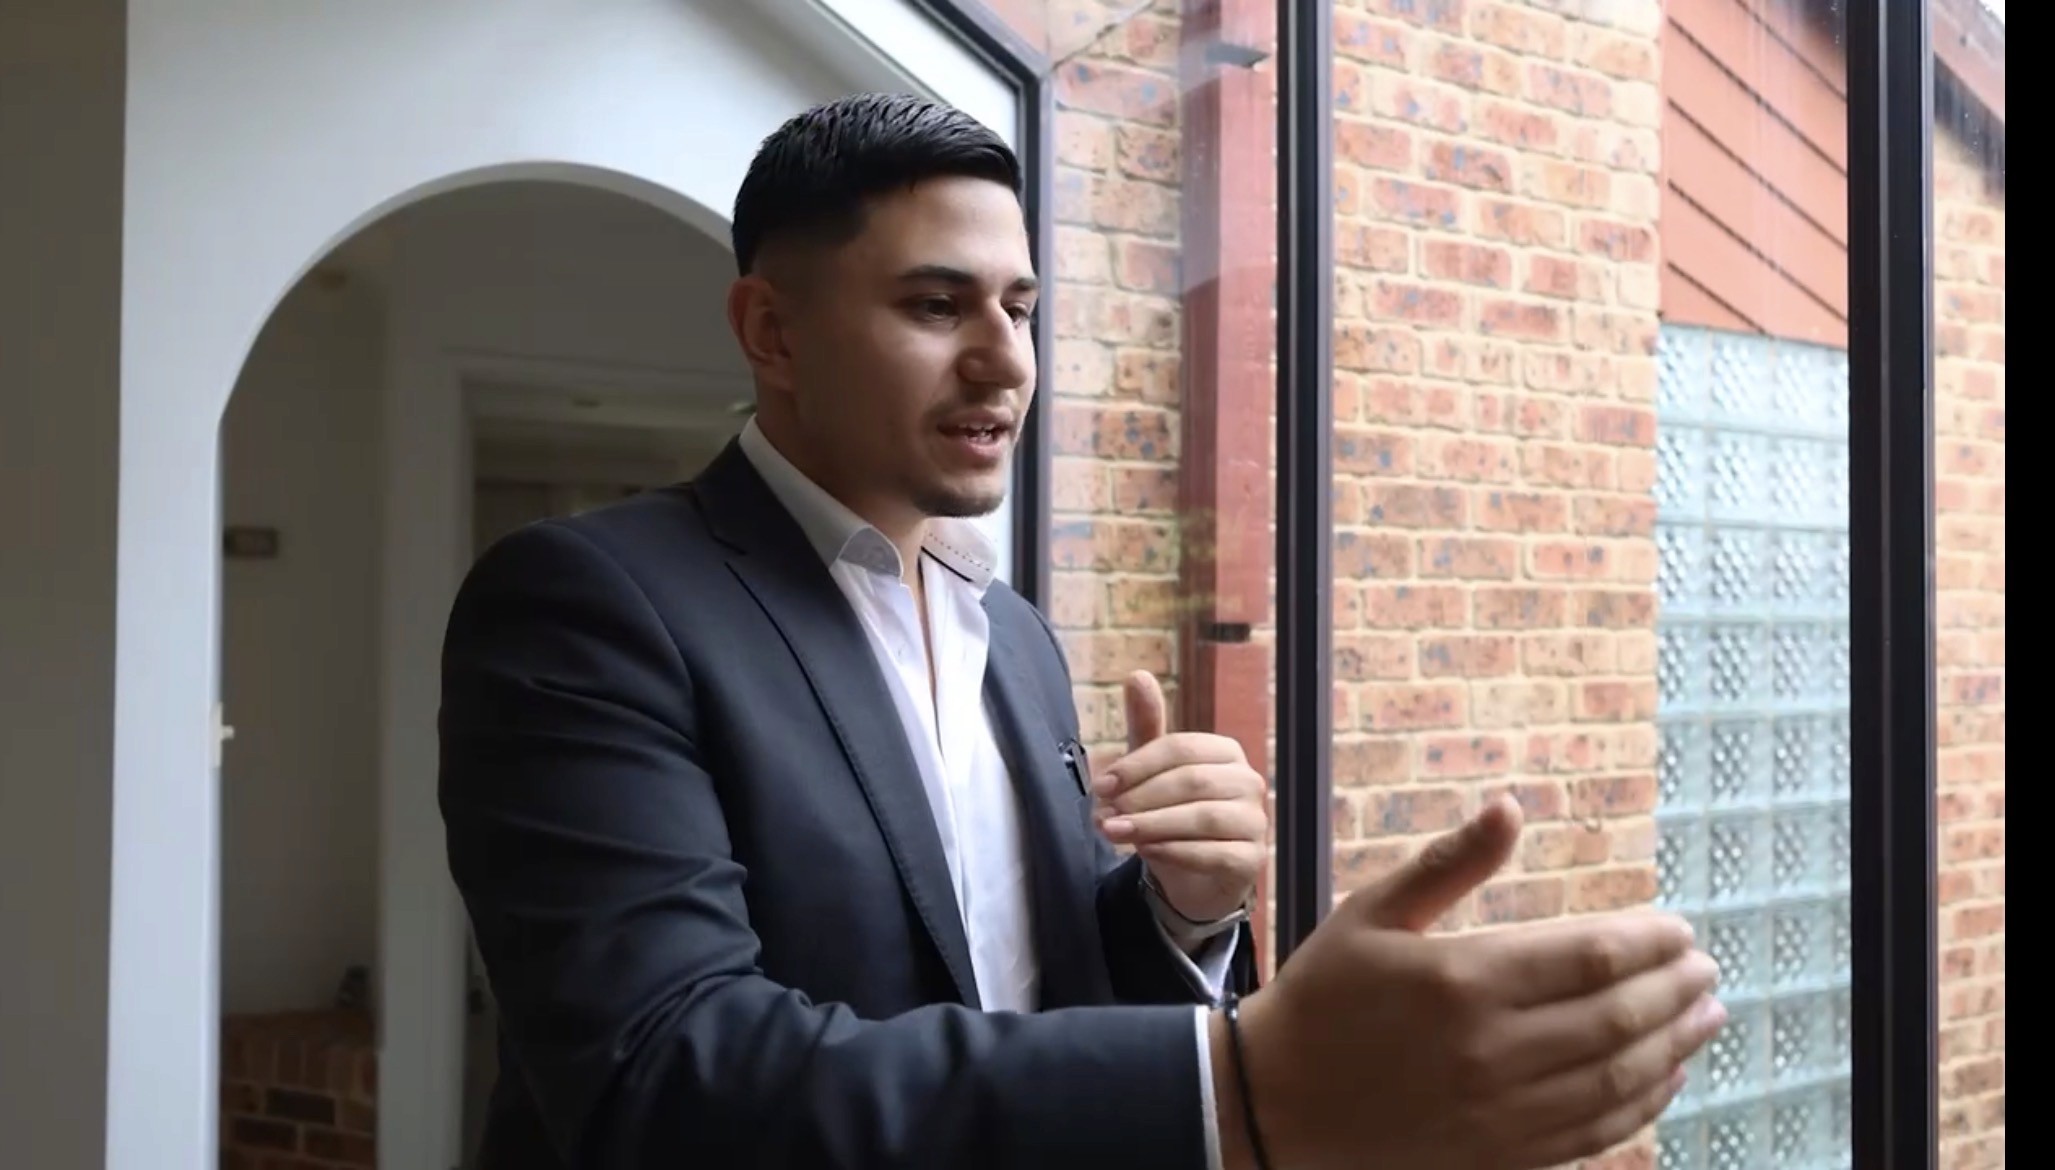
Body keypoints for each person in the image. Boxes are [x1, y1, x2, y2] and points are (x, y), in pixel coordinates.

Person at [437, 92, 1726, 1170]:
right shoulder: (589, 604)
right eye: (938, 308)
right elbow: (662, 1077)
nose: (1006, 362)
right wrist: (1241, 1084)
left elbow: (1022, 981)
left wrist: (1184, 914)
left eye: (1023, 307)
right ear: (772, 331)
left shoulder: (1017, 638)